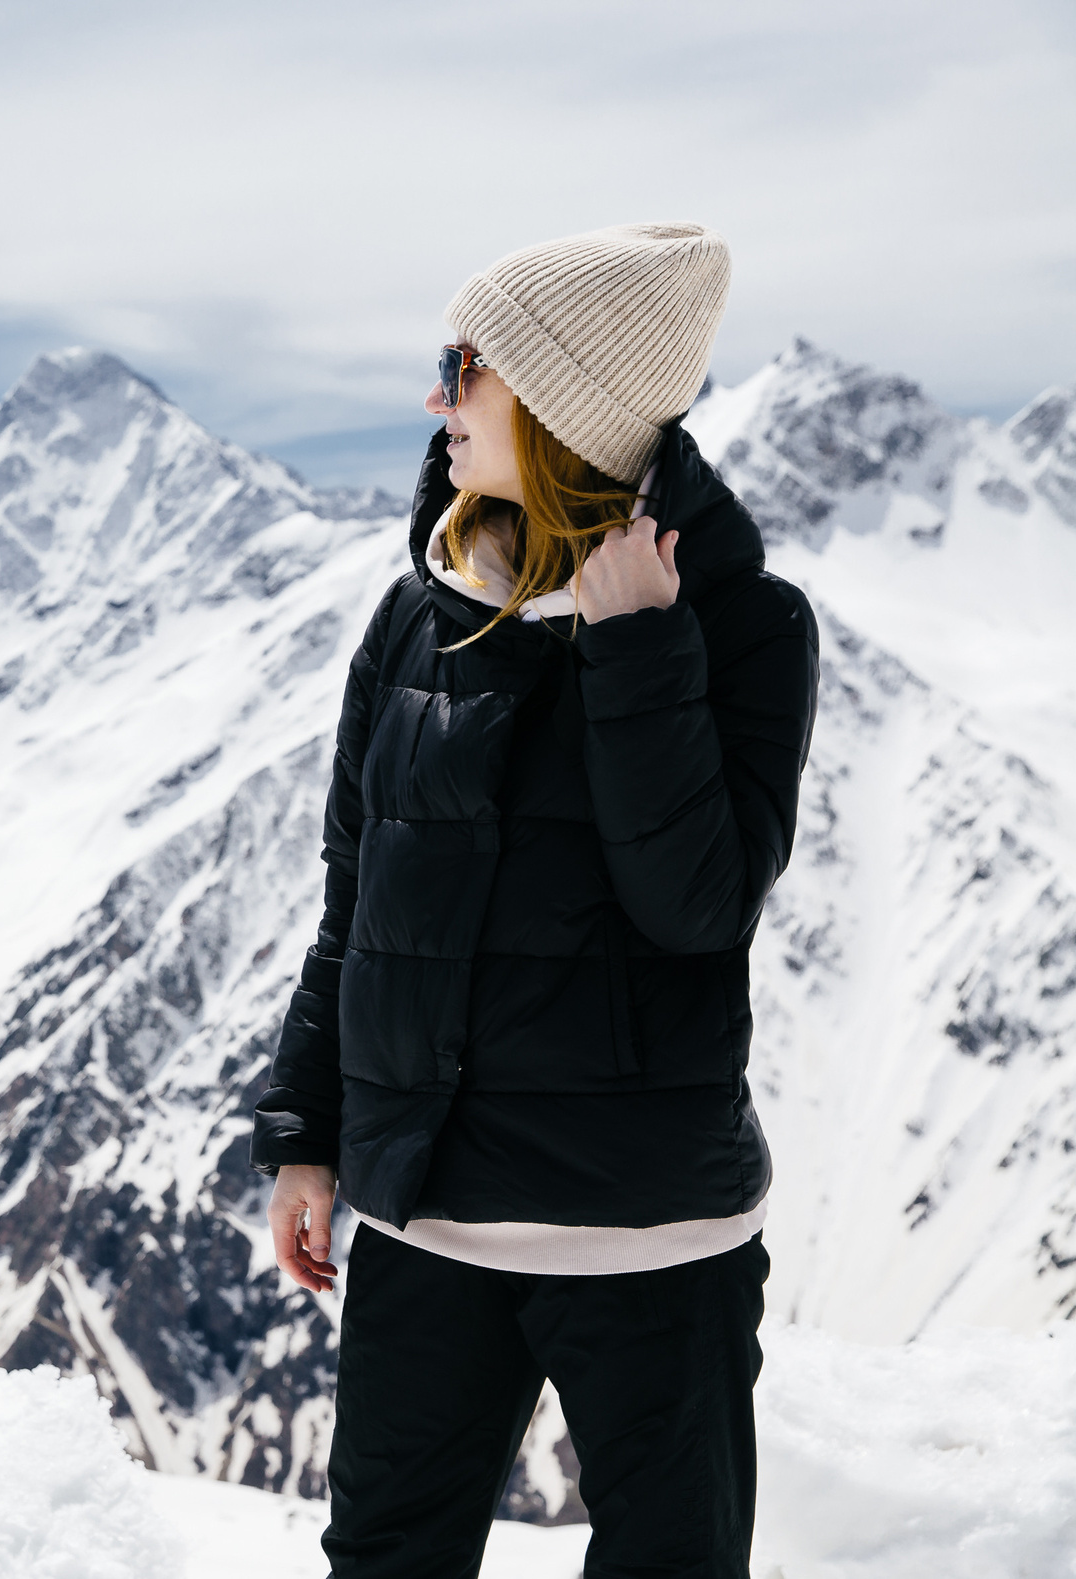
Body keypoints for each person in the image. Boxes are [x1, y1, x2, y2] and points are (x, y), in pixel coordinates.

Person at [250, 222, 819, 1578]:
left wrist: (637, 653)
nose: (434, 399)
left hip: (652, 1239)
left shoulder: (742, 627)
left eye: (466, 367)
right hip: (427, 1217)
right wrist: (304, 1130)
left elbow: (699, 906)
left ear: (565, 404)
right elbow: (357, 910)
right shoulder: (416, 621)